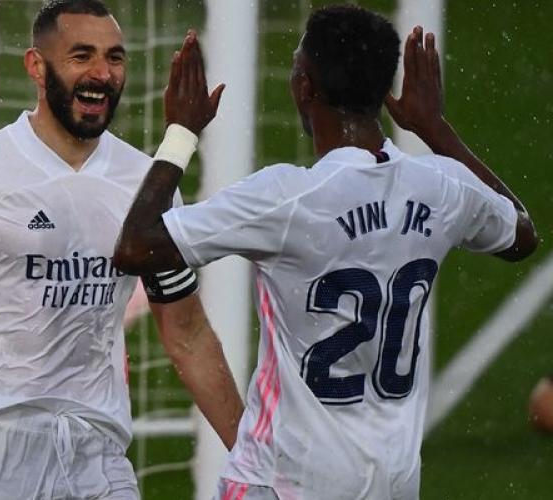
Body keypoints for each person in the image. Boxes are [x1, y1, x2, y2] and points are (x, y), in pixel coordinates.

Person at [114, 5, 538, 499]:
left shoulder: (287, 198)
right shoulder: (441, 188)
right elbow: (521, 235)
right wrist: (434, 127)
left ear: (303, 87)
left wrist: (182, 132)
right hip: (393, 483)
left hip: (284, 482)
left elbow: (135, 245)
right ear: (383, 91)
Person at [0, 1, 242, 499]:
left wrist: (252, 455)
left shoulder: (147, 186)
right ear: (37, 66)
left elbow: (187, 334)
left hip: (96, 453)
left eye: (115, 58)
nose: (102, 73)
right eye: (82, 56)